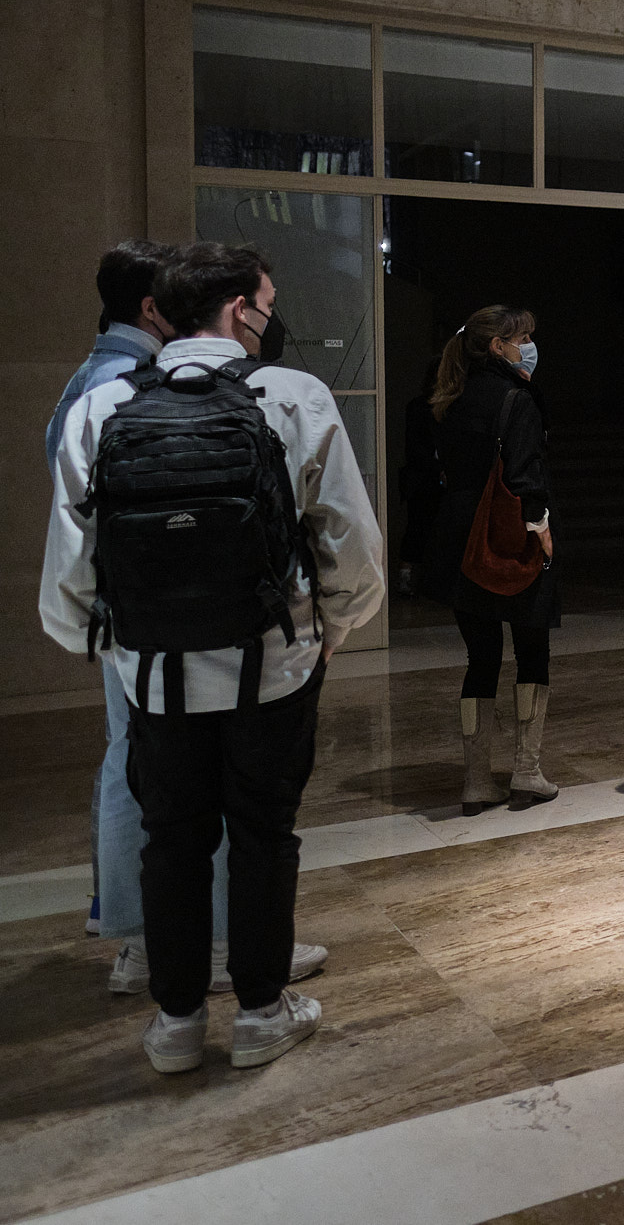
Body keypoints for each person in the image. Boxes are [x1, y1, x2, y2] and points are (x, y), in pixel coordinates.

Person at [42, 241, 384, 1074]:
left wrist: (114, 647)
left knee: (172, 840)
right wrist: (331, 631)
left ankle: (178, 1022)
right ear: (238, 308)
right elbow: (352, 543)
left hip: (156, 675)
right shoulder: (294, 396)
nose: (271, 317)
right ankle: (262, 1011)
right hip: (273, 665)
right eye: (267, 303)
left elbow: (69, 569)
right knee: (263, 834)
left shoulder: (105, 405)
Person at [417, 307, 560, 815]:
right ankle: (526, 770)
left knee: (481, 656)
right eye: (523, 337)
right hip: (511, 537)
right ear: (498, 346)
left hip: (460, 538)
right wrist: (541, 529)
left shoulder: (449, 397)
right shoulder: (517, 398)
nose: (530, 345)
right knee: (532, 650)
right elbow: (523, 475)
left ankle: (476, 781)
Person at [395, 360, 444, 598]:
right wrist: (438, 468)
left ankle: (432, 581)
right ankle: (406, 578)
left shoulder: (455, 406)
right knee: (418, 527)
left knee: (439, 531)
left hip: (442, 476)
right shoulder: (418, 407)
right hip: (423, 478)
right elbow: (414, 449)